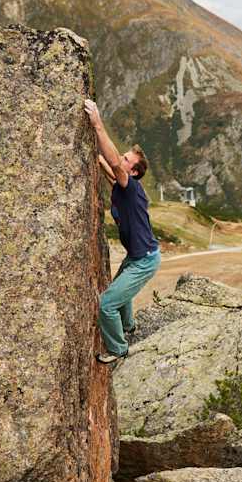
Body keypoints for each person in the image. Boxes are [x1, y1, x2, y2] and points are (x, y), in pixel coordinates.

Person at [84, 98, 159, 364]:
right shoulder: (122, 185)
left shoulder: (131, 187)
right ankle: (128, 326)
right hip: (138, 255)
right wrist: (94, 156)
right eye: (124, 155)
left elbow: (114, 165)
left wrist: (97, 125)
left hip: (144, 260)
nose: (122, 159)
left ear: (134, 172)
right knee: (120, 290)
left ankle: (118, 349)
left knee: (107, 304)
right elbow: (111, 170)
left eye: (127, 159)